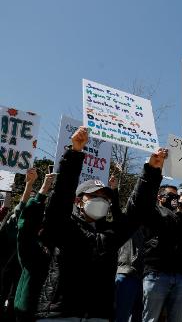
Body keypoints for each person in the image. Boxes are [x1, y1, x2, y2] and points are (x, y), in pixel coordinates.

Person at [35, 126, 166, 321]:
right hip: (60, 313)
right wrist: (75, 152)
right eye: (94, 196)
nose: (101, 201)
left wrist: (151, 170)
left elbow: (136, 212)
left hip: (99, 314)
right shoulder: (64, 225)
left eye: (105, 198)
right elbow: (61, 198)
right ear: (79, 201)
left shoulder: (110, 234)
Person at [140, 182, 182, 322]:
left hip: (179, 276)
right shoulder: (153, 213)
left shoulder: (181, 218)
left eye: (176, 196)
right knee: (151, 319)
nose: (175, 199)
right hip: (156, 275)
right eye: (171, 196)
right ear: (160, 197)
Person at [14, 170, 55, 322]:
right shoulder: (31, 247)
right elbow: (25, 219)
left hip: (51, 313)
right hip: (28, 312)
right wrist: (42, 189)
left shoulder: (57, 245)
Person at [1, 168, 40, 322]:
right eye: (28, 198)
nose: (30, 201)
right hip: (5, 267)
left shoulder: (37, 225)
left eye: (33, 198)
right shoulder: (13, 218)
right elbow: (20, 209)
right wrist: (28, 186)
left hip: (20, 273)